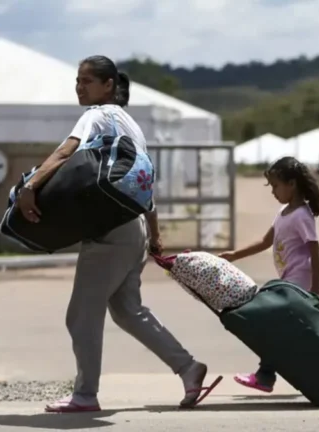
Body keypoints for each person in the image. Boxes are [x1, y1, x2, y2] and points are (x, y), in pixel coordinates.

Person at [16, 55, 218, 413]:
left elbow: (66, 152)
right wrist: (153, 234)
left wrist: (30, 186)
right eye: (77, 81)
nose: (80, 88)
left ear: (108, 85)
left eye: (87, 81)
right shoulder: (131, 125)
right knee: (127, 311)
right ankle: (188, 368)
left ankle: (85, 395)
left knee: (81, 315)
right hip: (132, 228)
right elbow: (143, 183)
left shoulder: (97, 115)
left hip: (109, 232)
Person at [219, 156, 319, 394]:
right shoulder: (283, 212)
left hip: (299, 286)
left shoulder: (302, 215)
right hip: (288, 284)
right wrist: (234, 255)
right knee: (302, 334)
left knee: (277, 329)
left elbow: (315, 249)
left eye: (275, 186)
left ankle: (265, 376)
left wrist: (317, 286)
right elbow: (265, 241)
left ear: (291, 184)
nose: (273, 191)